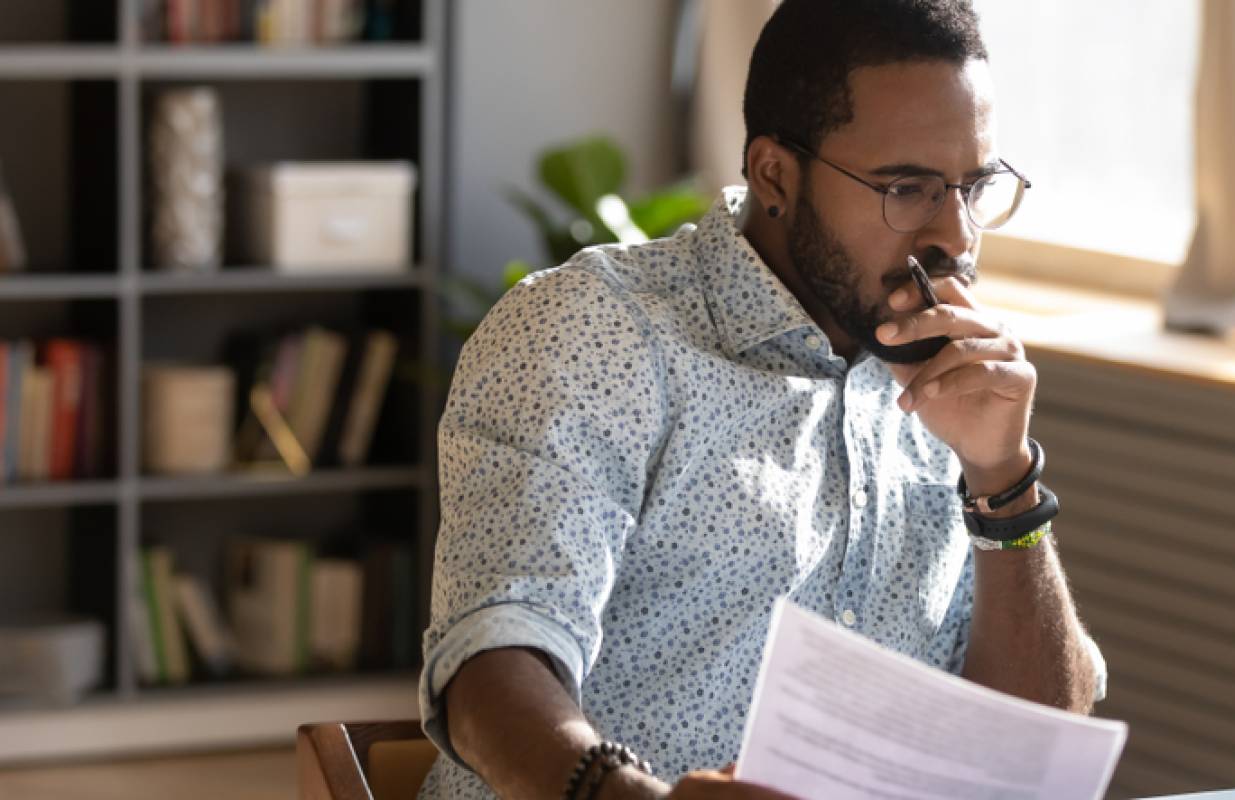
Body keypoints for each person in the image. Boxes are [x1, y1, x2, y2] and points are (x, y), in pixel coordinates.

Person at [417, 1, 1105, 797]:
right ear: (776, 174)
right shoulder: (595, 332)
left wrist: (1002, 479)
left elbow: (1033, 754)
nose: (955, 236)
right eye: (907, 188)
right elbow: (492, 658)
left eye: (974, 186)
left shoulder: (951, 375)